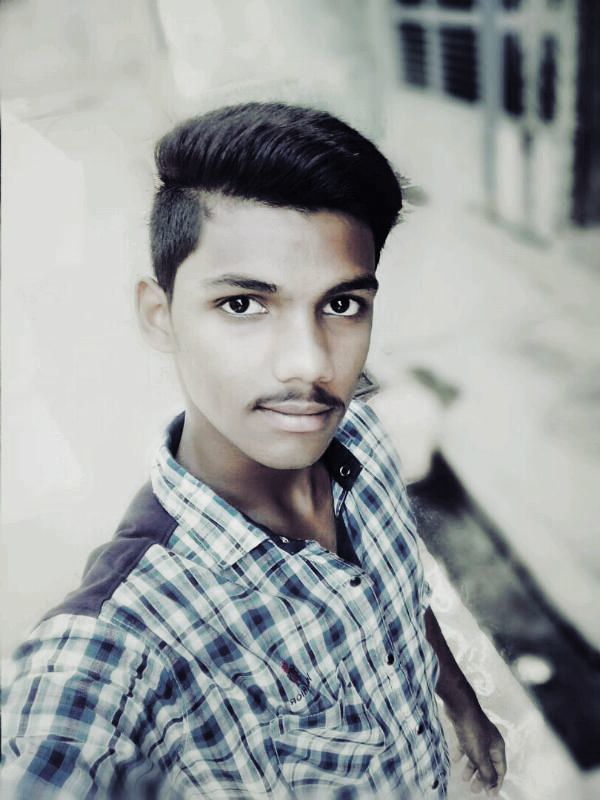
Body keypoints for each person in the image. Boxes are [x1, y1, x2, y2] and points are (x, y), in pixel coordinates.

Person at [2, 102, 506, 799]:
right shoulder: (124, 638)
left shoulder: (364, 442)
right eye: (244, 304)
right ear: (160, 316)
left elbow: (398, 598)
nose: (310, 364)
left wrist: (462, 703)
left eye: (341, 305)